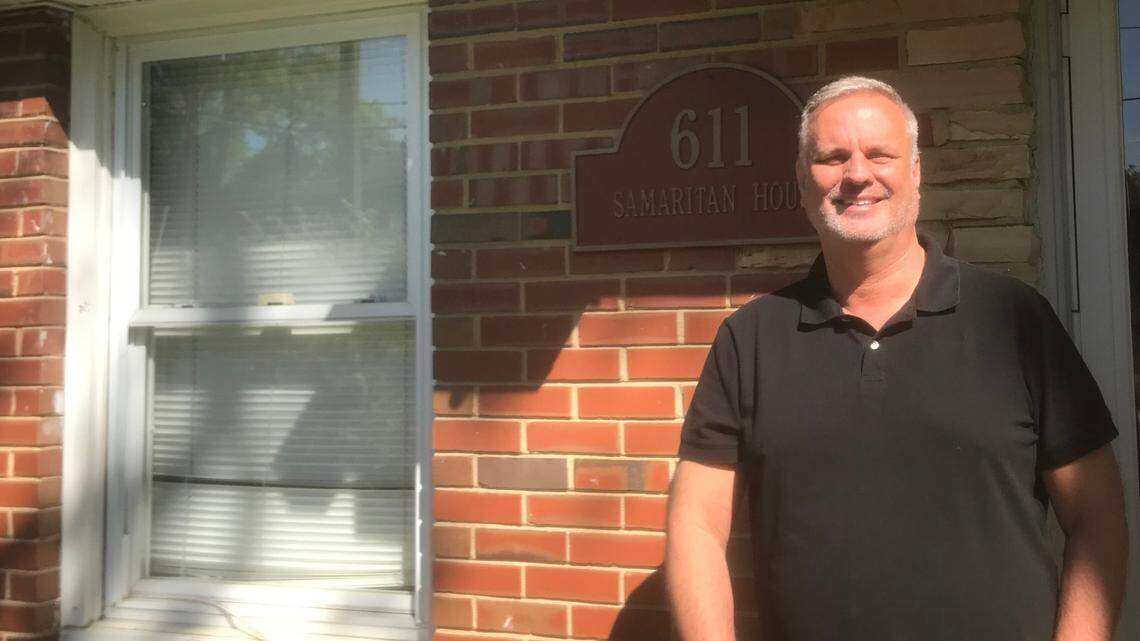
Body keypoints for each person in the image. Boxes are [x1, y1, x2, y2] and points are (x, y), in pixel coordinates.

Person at [666, 76, 1129, 641]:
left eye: (879, 154)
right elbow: (697, 526)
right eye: (832, 157)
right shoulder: (751, 339)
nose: (856, 174)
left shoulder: (1015, 320)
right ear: (800, 182)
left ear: (916, 172)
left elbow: (1097, 515)